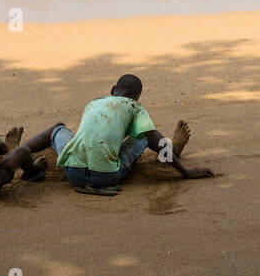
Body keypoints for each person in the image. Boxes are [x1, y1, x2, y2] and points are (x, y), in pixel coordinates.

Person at [53, 73, 212, 192]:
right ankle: (173, 151)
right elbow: (154, 139)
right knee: (146, 134)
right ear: (137, 98)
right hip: (105, 177)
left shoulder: (94, 102)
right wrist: (185, 173)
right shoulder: (135, 107)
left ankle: (28, 159)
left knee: (59, 129)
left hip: (72, 173)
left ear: (113, 90)